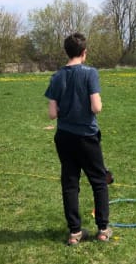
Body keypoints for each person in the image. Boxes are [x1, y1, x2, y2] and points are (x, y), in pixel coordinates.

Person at [44, 33, 112, 245]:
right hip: (87, 136)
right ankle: (102, 229)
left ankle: (75, 232)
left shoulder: (56, 77)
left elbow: (52, 113)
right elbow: (97, 107)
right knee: (99, 181)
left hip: (64, 137)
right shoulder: (90, 73)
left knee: (70, 183)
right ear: (84, 53)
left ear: (66, 51)